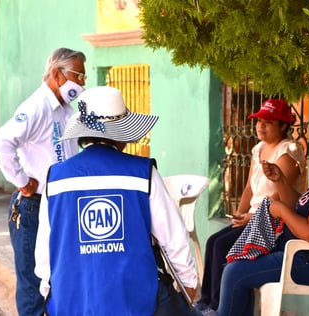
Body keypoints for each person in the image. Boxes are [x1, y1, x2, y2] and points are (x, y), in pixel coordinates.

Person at [34, 86, 202, 315]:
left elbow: (44, 252)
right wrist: (188, 284)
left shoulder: (54, 178)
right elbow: (174, 238)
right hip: (137, 302)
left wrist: (49, 294)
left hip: (72, 303)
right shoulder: (143, 172)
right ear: (121, 136)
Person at [215, 123, 309, 316]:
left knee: (235, 272)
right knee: (236, 266)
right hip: (300, 257)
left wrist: (279, 210)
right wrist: (280, 181)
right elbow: (299, 206)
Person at [0, 47, 86, 316]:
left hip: (58, 206)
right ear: (57, 74)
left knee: (59, 280)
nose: (82, 83)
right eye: (78, 76)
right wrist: (23, 182)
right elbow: (1, 143)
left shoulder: (65, 110)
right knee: (34, 288)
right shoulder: (37, 107)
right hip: (33, 207)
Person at [195, 99, 307, 314]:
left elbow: (280, 195)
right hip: (253, 217)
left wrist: (251, 217)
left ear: (284, 126)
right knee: (213, 241)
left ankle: (220, 307)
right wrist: (239, 214)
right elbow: (249, 188)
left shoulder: (288, 151)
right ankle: (207, 301)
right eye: (258, 121)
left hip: (273, 221)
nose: (260, 126)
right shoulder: (259, 149)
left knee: (222, 247)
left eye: (268, 122)